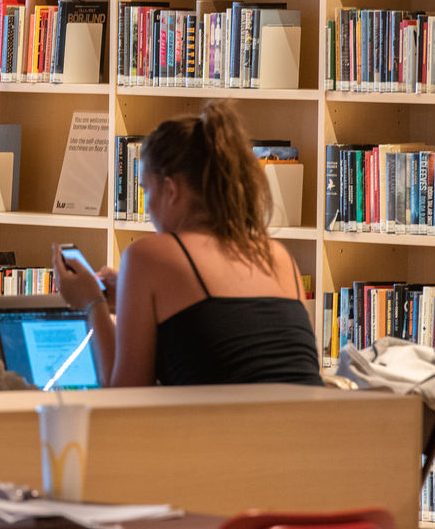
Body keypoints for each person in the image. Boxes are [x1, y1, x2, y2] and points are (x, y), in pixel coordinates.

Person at [53, 100, 323, 389]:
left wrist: (91, 302)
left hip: (230, 433)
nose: (147, 207)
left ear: (171, 190)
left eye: (146, 190)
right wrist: (134, 299)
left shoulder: (150, 256)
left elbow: (125, 396)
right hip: (311, 429)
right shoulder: (276, 254)